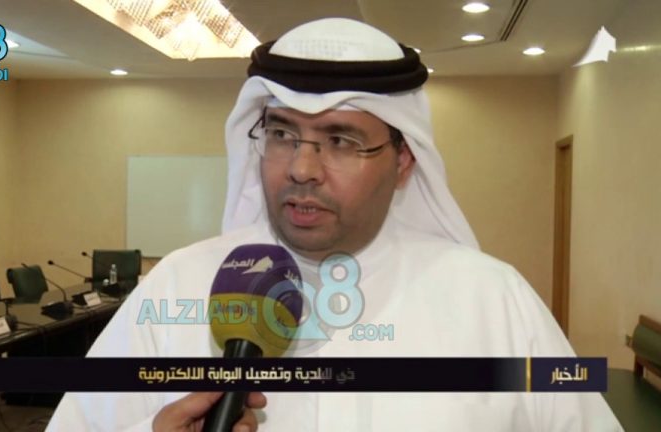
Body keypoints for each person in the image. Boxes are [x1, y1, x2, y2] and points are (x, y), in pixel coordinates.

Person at [47, 18, 622, 431]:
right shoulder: (179, 284)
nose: (301, 168)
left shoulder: (494, 299)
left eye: (341, 141)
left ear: (403, 160)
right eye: (282, 134)